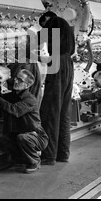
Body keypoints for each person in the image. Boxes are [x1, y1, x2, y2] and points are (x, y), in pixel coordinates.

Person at [0, 69, 48, 174]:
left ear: (27, 85)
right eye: (16, 78)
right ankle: (22, 158)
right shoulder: (13, 95)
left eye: (20, 80)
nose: (16, 81)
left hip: (36, 136)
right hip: (19, 135)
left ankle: (35, 160)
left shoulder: (30, 100)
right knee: (0, 141)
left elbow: (14, 110)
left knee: (22, 138)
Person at [38, 11, 75, 166]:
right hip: (68, 63)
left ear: (48, 19)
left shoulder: (53, 23)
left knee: (51, 111)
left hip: (57, 65)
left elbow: (39, 42)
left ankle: (49, 155)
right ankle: (63, 153)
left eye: (44, 24)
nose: (44, 27)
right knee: (63, 113)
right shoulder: (66, 26)